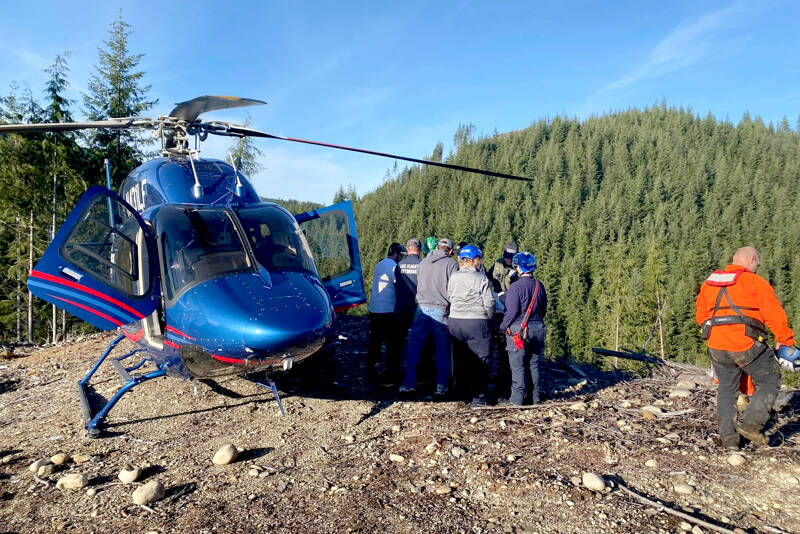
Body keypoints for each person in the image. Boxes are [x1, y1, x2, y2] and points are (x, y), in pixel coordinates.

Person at [695, 246, 796, 447]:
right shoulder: (755, 282)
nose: (757, 267)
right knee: (769, 381)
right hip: (746, 343)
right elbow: (774, 315)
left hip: (716, 345)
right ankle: (751, 425)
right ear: (751, 260)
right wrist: (786, 341)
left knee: (726, 390)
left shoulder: (710, 283)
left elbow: (701, 316)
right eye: (757, 263)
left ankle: (729, 440)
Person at [400, 238, 458, 396]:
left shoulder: (423, 263)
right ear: (450, 251)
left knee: (414, 348)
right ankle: (441, 385)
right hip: (441, 309)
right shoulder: (451, 264)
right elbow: (454, 289)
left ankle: (409, 383)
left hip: (422, 309)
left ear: (438, 247)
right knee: (441, 350)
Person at [447, 245, 496, 407]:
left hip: (455, 321)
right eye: (478, 259)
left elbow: (450, 296)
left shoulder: (453, 276)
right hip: (476, 321)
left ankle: (461, 394)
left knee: (460, 358)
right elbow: (489, 302)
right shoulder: (481, 278)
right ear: (474, 260)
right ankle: (479, 398)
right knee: (481, 359)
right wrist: (489, 319)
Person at [499, 252, 547, 406]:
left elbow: (511, 312)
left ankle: (516, 401)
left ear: (518, 268)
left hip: (519, 331)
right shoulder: (540, 286)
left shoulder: (515, 287)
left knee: (517, 366)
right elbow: (543, 309)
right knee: (534, 364)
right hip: (538, 328)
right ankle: (535, 398)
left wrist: (502, 327)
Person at [366, 243, 405, 385]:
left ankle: (370, 370)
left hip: (375, 308)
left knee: (375, 342)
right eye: (401, 255)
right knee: (392, 344)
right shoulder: (394, 267)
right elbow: (399, 286)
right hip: (388, 309)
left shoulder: (379, 265)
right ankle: (392, 372)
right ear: (397, 254)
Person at [395, 238, 422, 342]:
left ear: (407, 249)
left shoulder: (399, 265)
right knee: (418, 338)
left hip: (401, 306)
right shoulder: (423, 264)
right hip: (418, 307)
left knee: (399, 338)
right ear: (419, 249)